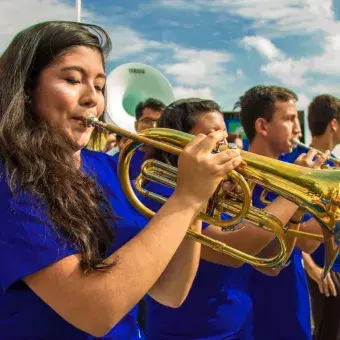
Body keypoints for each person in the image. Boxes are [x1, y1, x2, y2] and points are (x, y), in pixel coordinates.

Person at [0, 21, 243, 340]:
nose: (93, 99)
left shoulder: (104, 167)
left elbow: (170, 291)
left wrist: (198, 203)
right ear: (27, 91)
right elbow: (96, 310)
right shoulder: (11, 180)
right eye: (73, 80)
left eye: (100, 86)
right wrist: (187, 198)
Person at [140, 98, 322, 340]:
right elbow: (230, 250)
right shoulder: (161, 190)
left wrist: (295, 215)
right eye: (213, 134)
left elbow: (270, 264)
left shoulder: (225, 189)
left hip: (239, 327)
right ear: (180, 141)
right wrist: (297, 189)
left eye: (224, 134)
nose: (225, 145)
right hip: (187, 332)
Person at [235, 85, 327, 340]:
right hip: (253, 311)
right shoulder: (235, 178)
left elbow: (307, 243)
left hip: (291, 304)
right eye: (289, 119)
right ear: (262, 126)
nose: (297, 128)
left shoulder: (293, 169)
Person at [302, 94, 340, 340]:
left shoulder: (336, 165)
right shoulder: (301, 162)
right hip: (326, 273)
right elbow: (284, 226)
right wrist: (312, 267)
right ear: (334, 124)